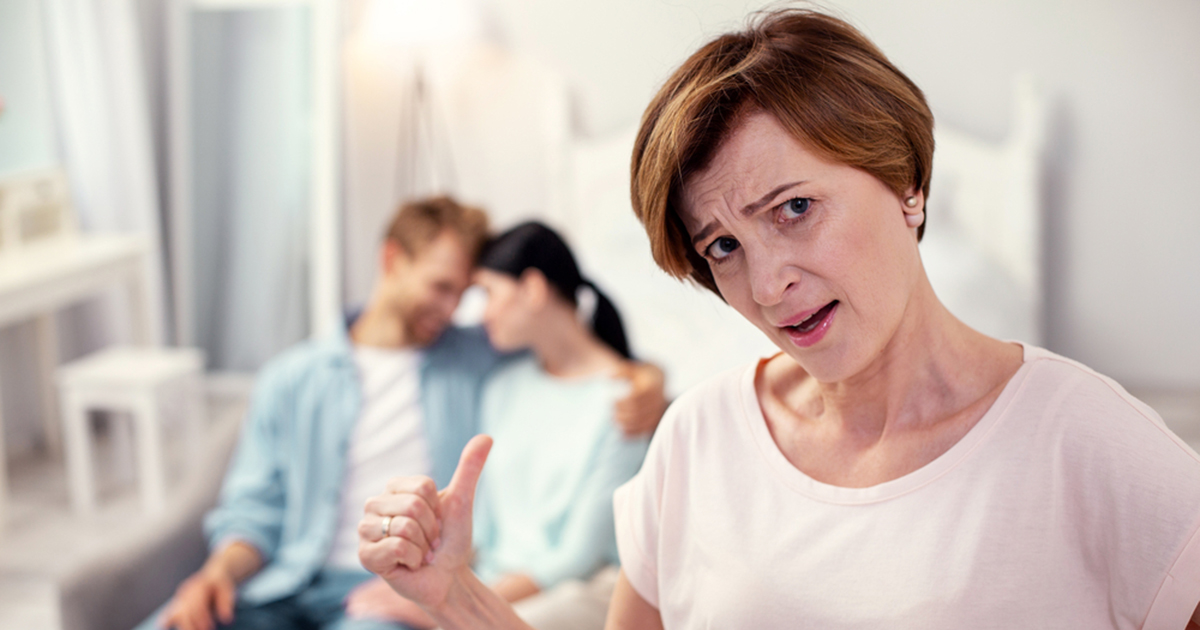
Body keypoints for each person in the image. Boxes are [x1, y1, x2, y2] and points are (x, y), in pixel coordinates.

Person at [355, 9, 1200, 630]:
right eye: (723, 246)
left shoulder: (1086, 441)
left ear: (905, 184)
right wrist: (455, 596)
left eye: (795, 208)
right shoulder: (698, 439)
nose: (766, 285)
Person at [141, 197, 666, 630]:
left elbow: (570, 351)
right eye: (441, 287)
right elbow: (253, 509)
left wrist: (649, 379)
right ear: (392, 260)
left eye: (465, 294)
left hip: (391, 583)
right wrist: (216, 574)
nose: (452, 309)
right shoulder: (291, 378)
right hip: (285, 580)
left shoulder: (476, 357)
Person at [347, 222, 649, 629]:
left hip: (576, 592)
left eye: (488, 293)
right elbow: (482, 533)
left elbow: (579, 557)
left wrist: (446, 605)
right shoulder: (502, 386)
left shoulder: (629, 400)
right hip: (492, 582)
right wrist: (425, 587)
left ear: (533, 289)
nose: (481, 313)